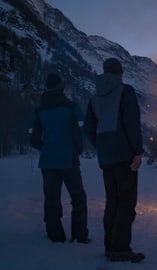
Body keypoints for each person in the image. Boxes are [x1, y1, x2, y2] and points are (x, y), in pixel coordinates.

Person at [84, 58, 144, 263]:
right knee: (126, 203)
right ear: (120, 73)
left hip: (106, 158)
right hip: (125, 156)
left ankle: (110, 245)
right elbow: (132, 123)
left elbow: (89, 129)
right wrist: (137, 151)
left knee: (112, 201)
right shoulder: (125, 91)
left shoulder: (94, 97)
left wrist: (102, 146)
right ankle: (120, 249)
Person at [29, 73, 90, 244]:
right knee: (78, 197)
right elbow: (81, 130)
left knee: (51, 198)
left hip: (48, 161)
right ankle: (79, 235)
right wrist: (77, 149)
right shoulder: (71, 108)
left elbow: (32, 137)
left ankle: (55, 235)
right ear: (62, 88)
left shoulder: (40, 110)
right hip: (68, 159)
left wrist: (45, 149)